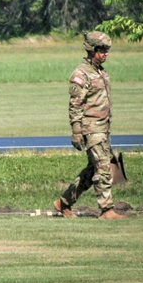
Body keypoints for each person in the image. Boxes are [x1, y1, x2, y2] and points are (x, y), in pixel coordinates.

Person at [54, 31, 125, 220]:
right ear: (92, 50)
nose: (105, 54)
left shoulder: (100, 71)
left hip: (103, 127)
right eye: (102, 50)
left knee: (92, 170)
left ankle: (64, 202)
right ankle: (106, 210)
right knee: (103, 167)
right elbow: (75, 104)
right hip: (91, 128)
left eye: (107, 50)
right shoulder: (81, 74)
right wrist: (76, 131)